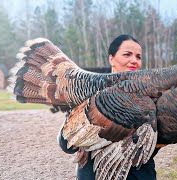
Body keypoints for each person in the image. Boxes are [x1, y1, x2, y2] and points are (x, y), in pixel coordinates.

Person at [57, 34, 160, 180]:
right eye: (127, 54)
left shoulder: (151, 96)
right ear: (111, 58)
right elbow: (65, 143)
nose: (134, 61)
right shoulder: (90, 93)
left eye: (138, 57)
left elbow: (151, 148)